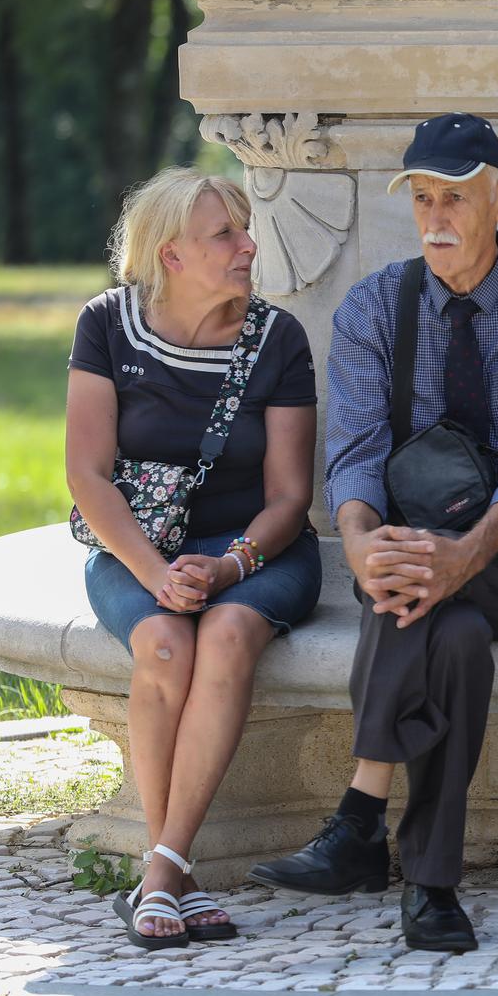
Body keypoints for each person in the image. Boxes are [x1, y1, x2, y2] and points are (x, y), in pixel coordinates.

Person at [247, 113, 498, 954]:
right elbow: (357, 451)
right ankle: (432, 888)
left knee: (436, 594)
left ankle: (362, 814)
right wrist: (361, 540)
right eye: (423, 199)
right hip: (413, 557)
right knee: (454, 635)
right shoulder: (374, 305)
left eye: (457, 198)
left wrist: (465, 554)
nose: (436, 218)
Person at [65, 167, 322, 949]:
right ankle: (173, 872)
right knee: (167, 642)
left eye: (245, 230)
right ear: (171, 255)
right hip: (138, 548)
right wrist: (156, 574)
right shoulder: (107, 326)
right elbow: (87, 475)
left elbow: (289, 498)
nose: (250, 246)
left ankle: (162, 875)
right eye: (226, 235)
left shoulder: (278, 338)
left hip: (256, 552)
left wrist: (229, 566)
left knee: (230, 634)